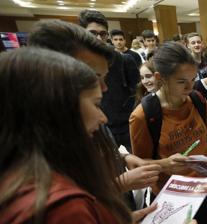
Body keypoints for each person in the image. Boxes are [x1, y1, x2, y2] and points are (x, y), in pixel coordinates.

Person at [0, 47, 201, 224]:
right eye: (95, 104)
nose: (103, 117)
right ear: (57, 109)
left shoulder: (22, 178)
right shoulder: (59, 212)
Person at [28, 19, 161, 211]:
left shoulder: (90, 114)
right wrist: (120, 184)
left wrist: (123, 158)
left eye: (104, 77)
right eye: (94, 77)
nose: (104, 88)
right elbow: (66, 210)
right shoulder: (38, 143)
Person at [129, 42, 207, 224]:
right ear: (161, 78)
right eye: (181, 81)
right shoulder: (144, 115)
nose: (190, 86)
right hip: (179, 196)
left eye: (192, 79)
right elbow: (140, 167)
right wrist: (165, 164)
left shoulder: (197, 99)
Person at [79, 9, 140, 152]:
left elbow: (136, 90)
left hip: (125, 125)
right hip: (95, 127)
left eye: (103, 34)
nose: (98, 38)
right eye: (92, 33)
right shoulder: (76, 62)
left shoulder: (123, 60)